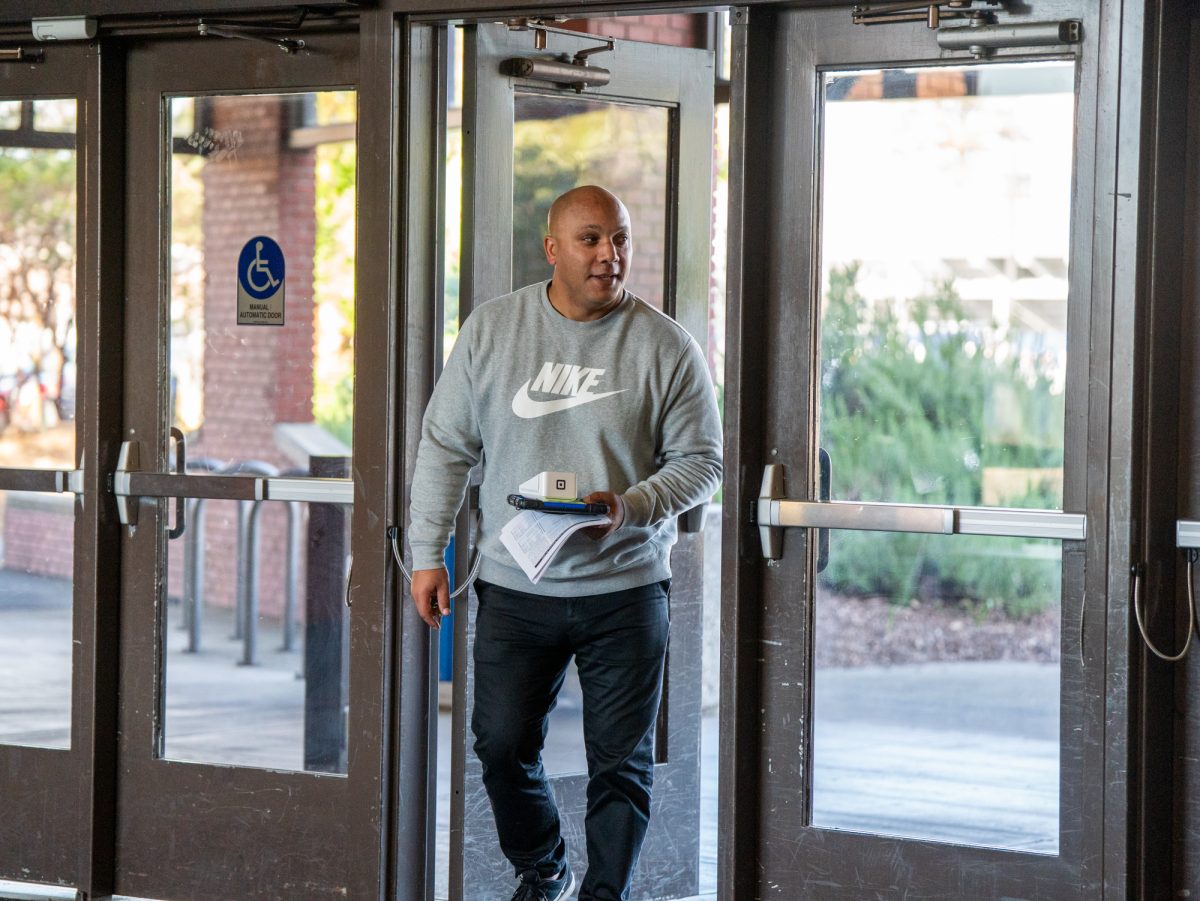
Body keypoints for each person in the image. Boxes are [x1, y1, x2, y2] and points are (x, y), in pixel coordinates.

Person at [407, 185, 722, 901]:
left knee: (621, 764)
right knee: (501, 744)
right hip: (517, 586)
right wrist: (429, 553)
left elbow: (703, 462)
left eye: (620, 239)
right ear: (552, 248)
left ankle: (603, 895)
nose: (610, 255)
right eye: (591, 239)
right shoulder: (494, 331)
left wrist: (634, 504)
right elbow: (445, 445)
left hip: (627, 589)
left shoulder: (666, 345)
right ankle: (544, 865)